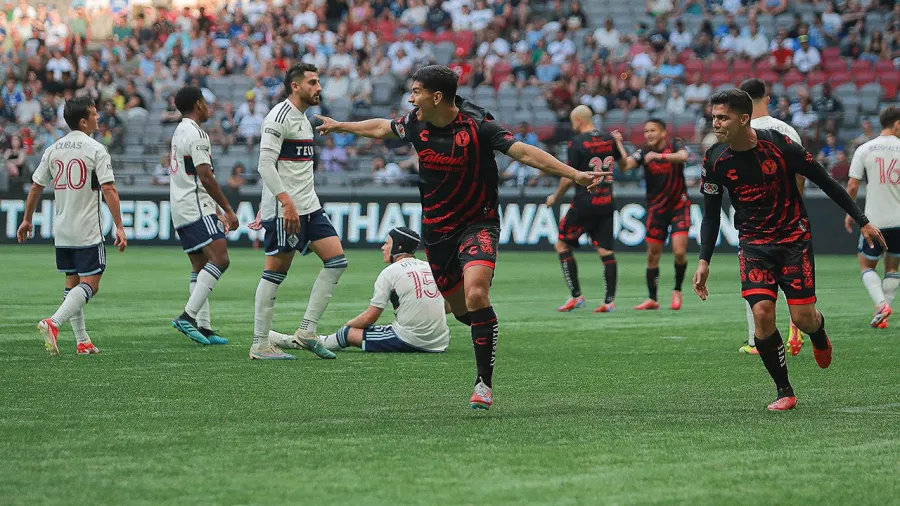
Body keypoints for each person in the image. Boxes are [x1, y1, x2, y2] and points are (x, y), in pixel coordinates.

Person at [315, 65, 609, 409]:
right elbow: (383, 127)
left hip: (478, 223)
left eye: (416, 91)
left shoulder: (479, 126)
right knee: (460, 309)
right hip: (437, 231)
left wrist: (574, 174)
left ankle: (484, 384)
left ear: (436, 97)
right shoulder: (415, 121)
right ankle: (487, 327)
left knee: (476, 292)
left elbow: (525, 152)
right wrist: (339, 125)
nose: (411, 98)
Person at [694, 89, 884, 411]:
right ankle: (785, 390)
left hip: (793, 240)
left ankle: (818, 334)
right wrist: (704, 260)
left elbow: (826, 181)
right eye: (714, 117)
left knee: (804, 318)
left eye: (723, 117)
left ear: (743, 118)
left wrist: (862, 220)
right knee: (762, 316)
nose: (716, 123)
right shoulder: (714, 160)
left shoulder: (779, 145)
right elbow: (711, 215)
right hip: (753, 244)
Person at [16, 97, 128, 356]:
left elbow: (36, 187)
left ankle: (82, 340)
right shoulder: (96, 149)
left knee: (72, 281)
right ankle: (53, 322)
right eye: (94, 114)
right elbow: (109, 188)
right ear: (83, 121)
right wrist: (120, 226)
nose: (97, 117)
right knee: (92, 283)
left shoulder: (53, 149)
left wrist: (27, 219)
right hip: (88, 229)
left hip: (63, 228)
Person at [248, 63, 343, 361]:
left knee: (337, 261)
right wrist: (284, 203)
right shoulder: (278, 116)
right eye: (313, 83)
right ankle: (260, 344)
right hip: (286, 208)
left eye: (319, 82)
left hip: (309, 207)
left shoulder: (304, 119)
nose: (319, 87)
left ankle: (306, 332)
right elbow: (265, 165)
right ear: (295, 86)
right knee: (275, 273)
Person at [271, 227, 452, 353]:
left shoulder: (390, 272)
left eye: (387, 243)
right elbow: (448, 307)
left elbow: (369, 318)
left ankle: (299, 342)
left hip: (414, 340)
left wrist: (346, 327)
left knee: (347, 334)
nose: (383, 247)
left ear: (398, 246)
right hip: (441, 341)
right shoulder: (429, 267)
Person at [737, 78, 805, 356]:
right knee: (792, 276)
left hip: (754, 220)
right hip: (788, 217)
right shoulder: (786, 130)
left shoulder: (741, 130)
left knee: (754, 279)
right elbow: (801, 171)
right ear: (767, 97)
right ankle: (796, 327)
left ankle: (757, 340)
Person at [168, 86, 239, 346]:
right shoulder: (196, 133)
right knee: (220, 259)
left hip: (182, 206)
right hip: (195, 206)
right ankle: (187, 316)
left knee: (200, 266)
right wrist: (228, 210)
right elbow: (205, 175)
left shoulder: (179, 131)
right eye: (206, 103)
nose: (209, 107)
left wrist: (216, 209)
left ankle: (204, 326)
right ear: (198, 104)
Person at [545, 105, 626, 313]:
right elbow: (624, 165)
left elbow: (569, 176)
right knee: (606, 252)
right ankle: (609, 302)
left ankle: (576, 296)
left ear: (579, 120)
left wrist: (555, 197)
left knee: (562, 246)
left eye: (573, 122)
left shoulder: (577, 142)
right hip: (607, 203)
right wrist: (619, 143)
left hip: (584, 203)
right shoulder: (609, 138)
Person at [614, 119, 691, 311]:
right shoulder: (643, 152)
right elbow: (625, 166)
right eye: (646, 130)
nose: (648, 134)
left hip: (679, 207)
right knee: (652, 256)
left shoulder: (674, 144)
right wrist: (618, 146)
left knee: (679, 252)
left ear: (663, 133)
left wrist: (659, 157)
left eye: (653, 130)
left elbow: (684, 156)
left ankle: (677, 290)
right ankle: (652, 298)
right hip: (657, 210)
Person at [843, 106, 900, 329]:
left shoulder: (865, 149)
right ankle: (885, 309)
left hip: (874, 221)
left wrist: (851, 213)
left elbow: (853, 184)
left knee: (866, 265)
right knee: (893, 267)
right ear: (896, 124)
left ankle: (881, 305)